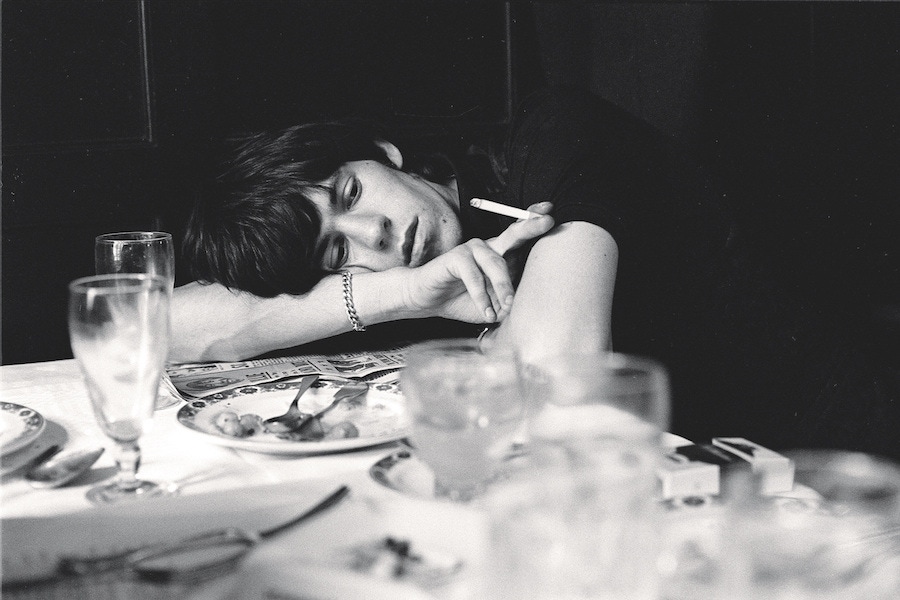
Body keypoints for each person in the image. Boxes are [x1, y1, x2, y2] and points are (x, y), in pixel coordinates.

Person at [175, 87, 900, 460]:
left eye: (351, 195)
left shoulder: (555, 140)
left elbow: (555, 375)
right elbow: (157, 328)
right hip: (668, 493)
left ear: (384, 152)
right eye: (337, 252)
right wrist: (396, 294)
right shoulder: (414, 267)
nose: (375, 235)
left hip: (833, 474)